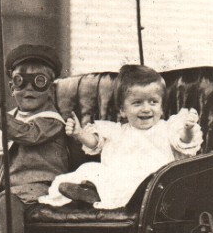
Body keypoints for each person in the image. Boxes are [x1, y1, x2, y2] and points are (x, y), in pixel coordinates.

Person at [40, 64, 202, 209]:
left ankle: (97, 194)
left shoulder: (167, 128)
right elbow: (95, 143)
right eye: (137, 103)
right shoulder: (117, 131)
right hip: (118, 176)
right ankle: (89, 191)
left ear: (161, 107)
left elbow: (184, 142)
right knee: (89, 169)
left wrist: (188, 129)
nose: (146, 109)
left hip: (152, 181)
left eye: (153, 102)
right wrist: (80, 133)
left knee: (137, 184)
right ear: (122, 110)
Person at [0, 43, 70, 204]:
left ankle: (9, 230)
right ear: (12, 87)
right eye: (21, 81)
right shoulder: (8, 118)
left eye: (39, 81)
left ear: (50, 89)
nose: (29, 88)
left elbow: (28, 134)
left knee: (8, 202)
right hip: (1, 189)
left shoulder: (51, 120)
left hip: (39, 189)